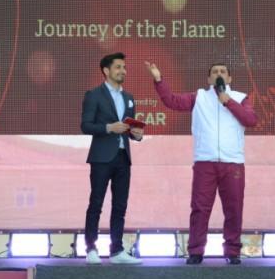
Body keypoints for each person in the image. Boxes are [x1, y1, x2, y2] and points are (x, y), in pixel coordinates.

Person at [145, 61, 257, 265]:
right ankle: (196, 251)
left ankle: (232, 251)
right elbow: (171, 101)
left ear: (229, 78)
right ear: (208, 79)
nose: (219, 74)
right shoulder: (199, 97)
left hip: (233, 163)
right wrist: (159, 79)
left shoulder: (240, 98)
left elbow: (251, 120)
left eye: (223, 71)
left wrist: (228, 101)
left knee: (233, 208)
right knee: (200, 208)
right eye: (214, 72)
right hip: (205, 162)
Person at [81, 52, 144, 265]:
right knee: (96, 203)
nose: (122, 71)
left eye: (124, 67)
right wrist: (109, 128)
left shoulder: (129, 98)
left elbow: (130, 129)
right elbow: (85, 125)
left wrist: (136, 135)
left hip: (123, 157)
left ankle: (117, 250)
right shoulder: (94, 95)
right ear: (106, 71)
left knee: (120, 205)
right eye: (118, 67)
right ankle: (91, 248)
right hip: (101, 158)